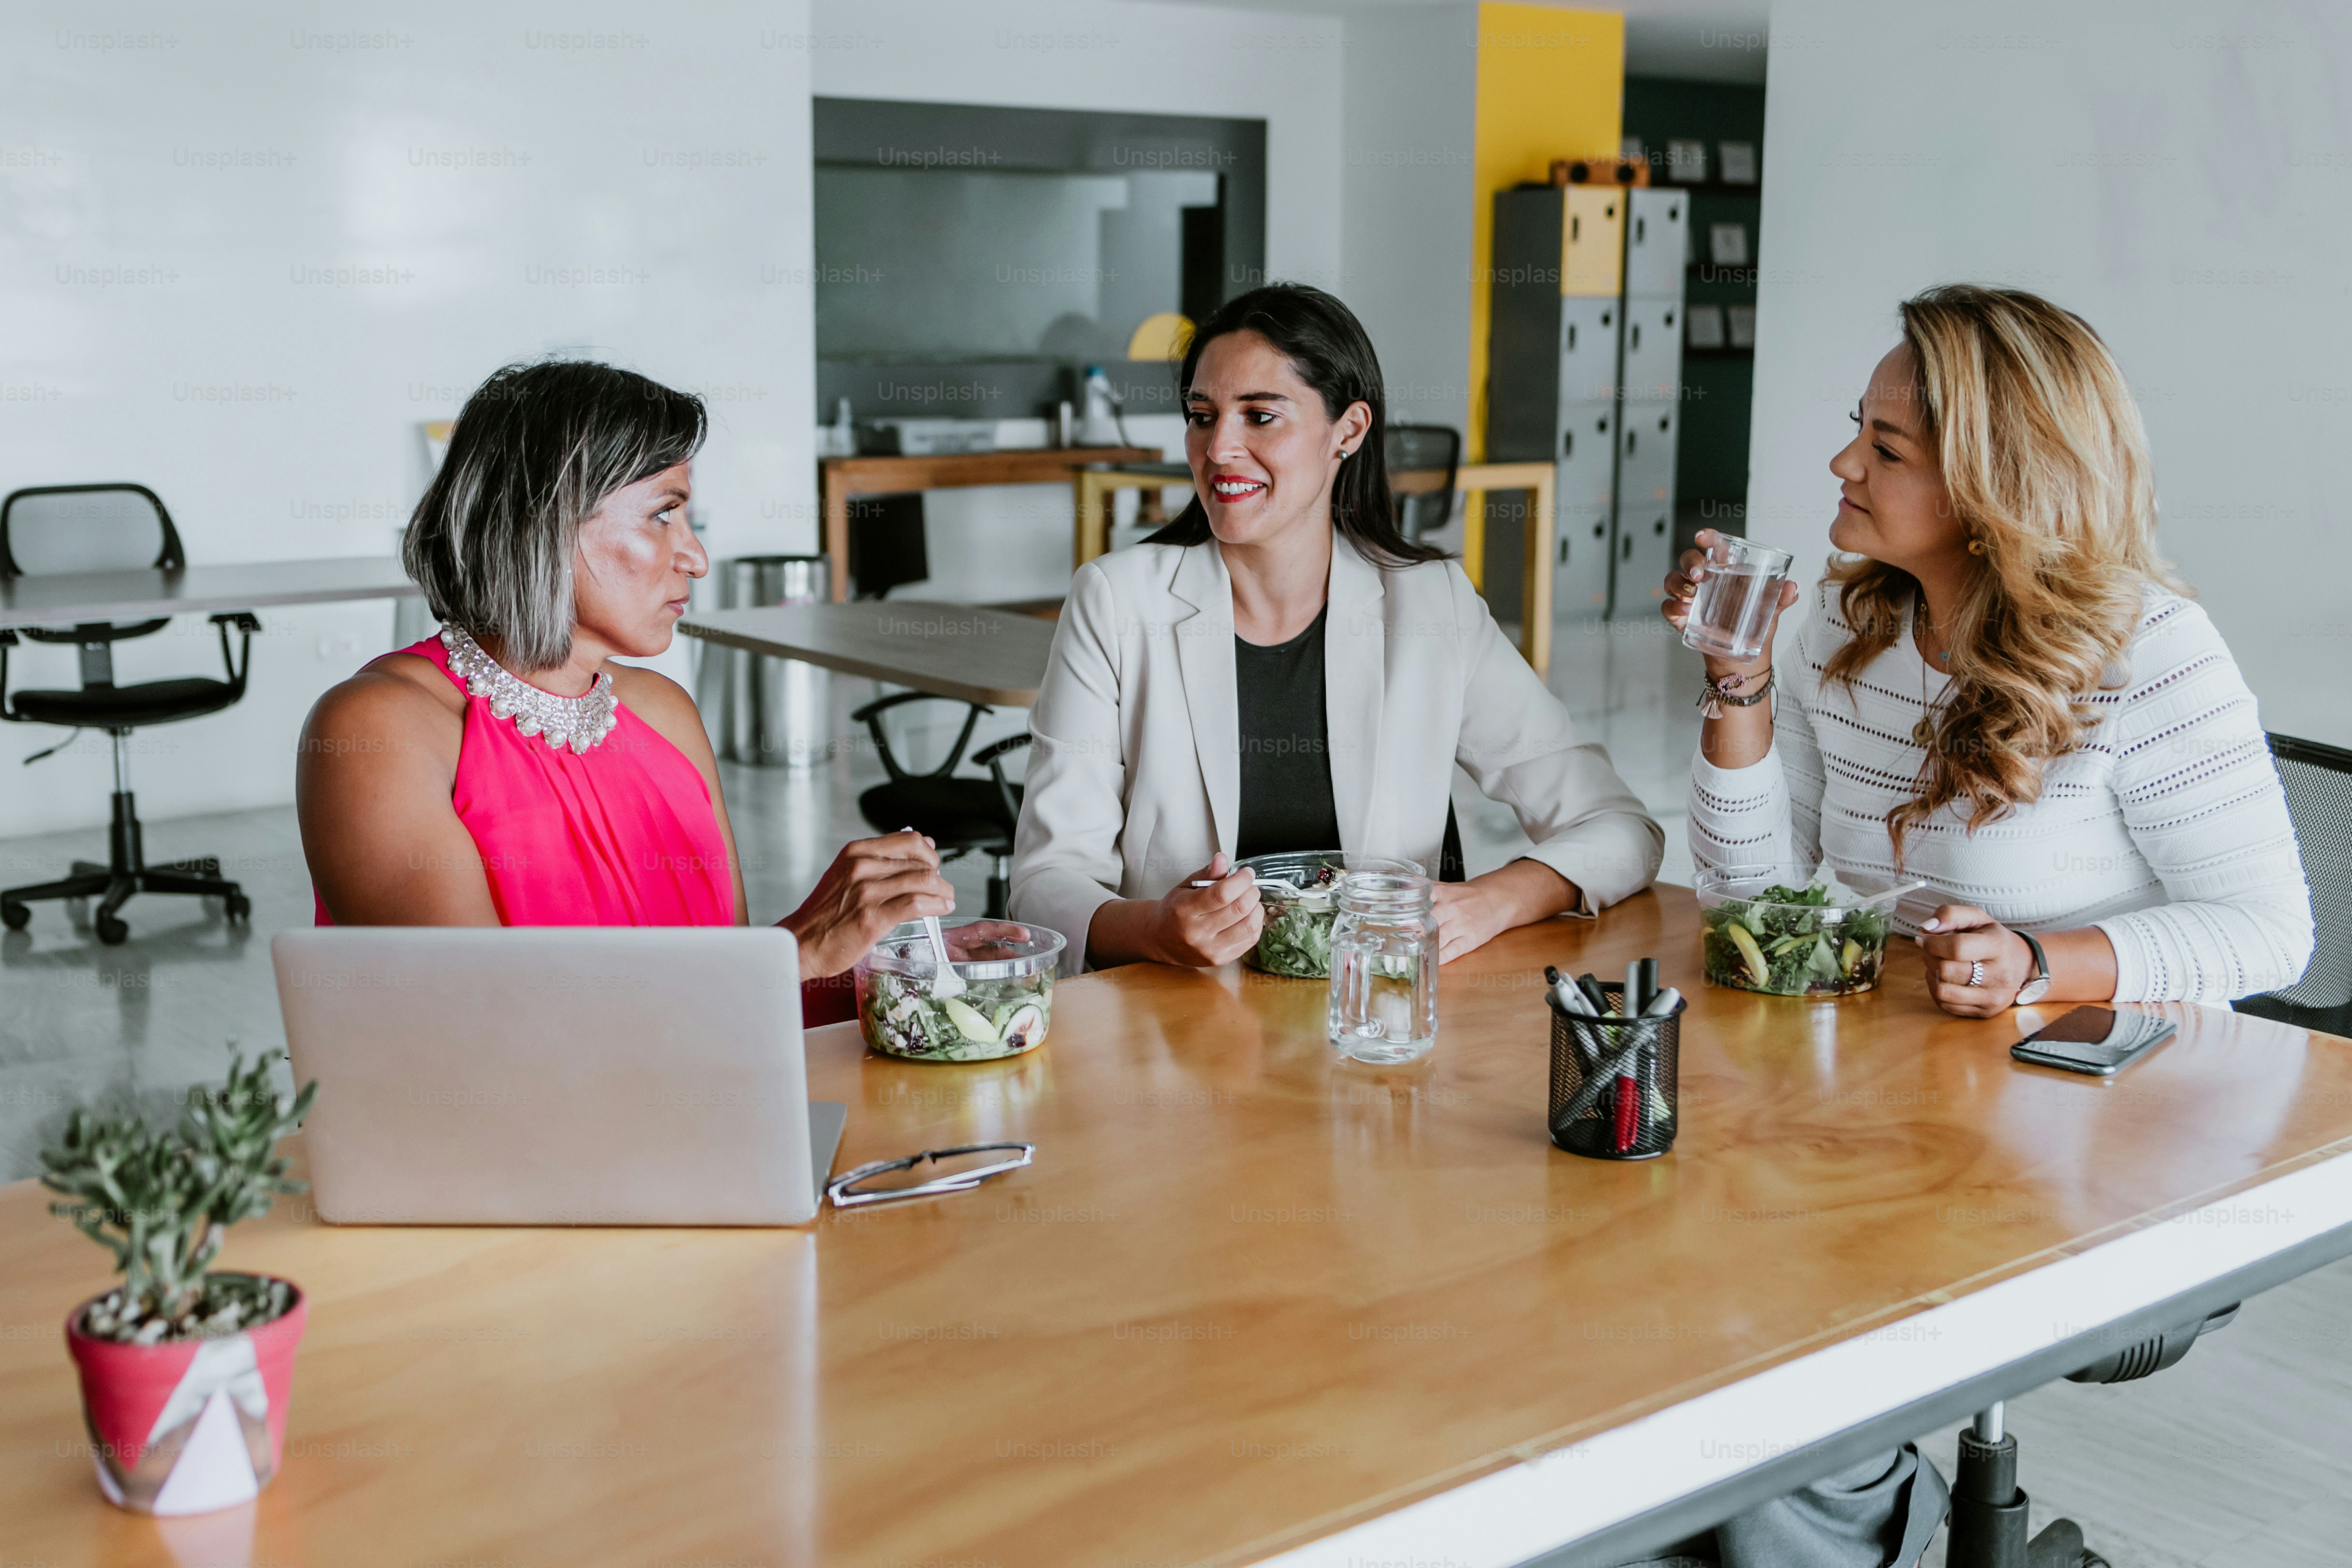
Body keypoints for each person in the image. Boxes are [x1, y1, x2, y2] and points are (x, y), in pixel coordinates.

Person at [1664, 284, 2310, 1018]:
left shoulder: (2150, 653)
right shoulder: (1846, 624)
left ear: (1990, 488)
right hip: (1912, 1065)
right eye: (1858, 428)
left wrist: (2034, 966)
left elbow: (2270, 934)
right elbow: (1750, 903)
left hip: (2104, 1089)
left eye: (1886, 449)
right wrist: (1739, 679)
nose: (1844, 462)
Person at [1010, 283, 1661, 973]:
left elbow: (1622, 829)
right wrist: (1154, 930)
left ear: (1348, 431)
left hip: (1375, 1029)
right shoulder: (1115, 601)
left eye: (1260, 416)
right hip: (1181, 1035)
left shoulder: (1430, 604)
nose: (1219, 448)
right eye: (1202, 417)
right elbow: (1045, 884)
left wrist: (1491, 901)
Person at [297, 360, 954, 1019]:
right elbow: (478, 1027)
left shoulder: (664, 713)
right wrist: (792, 951)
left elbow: (734, 1005)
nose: (695, 556)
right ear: (544, 522)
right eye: (663, 515)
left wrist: (894, 972)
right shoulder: (379, 731)